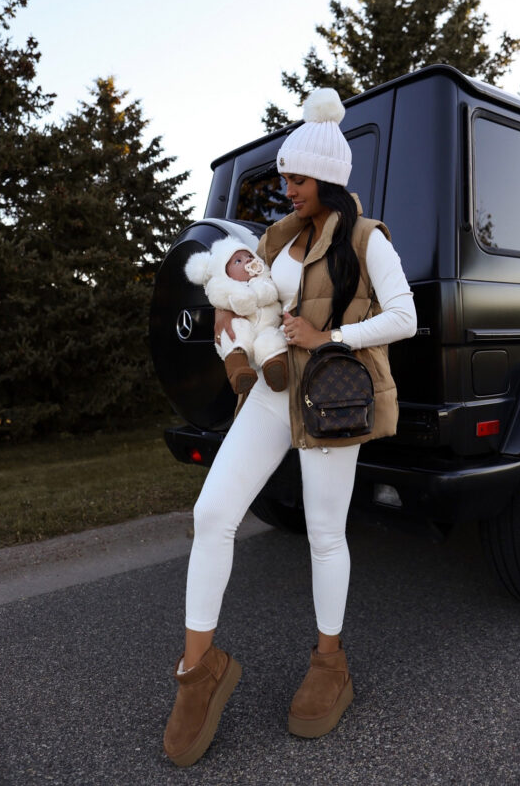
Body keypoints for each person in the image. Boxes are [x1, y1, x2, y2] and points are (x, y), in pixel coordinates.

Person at [163, 87, 417, 767]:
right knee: (211, 509)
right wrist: (231, 316)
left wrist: (332, 333)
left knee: (325, 532)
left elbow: (405, 315)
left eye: (297, 178)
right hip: (274, 393)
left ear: (328, 179)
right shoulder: (279, 236)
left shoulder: (367, 238)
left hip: (332, 397)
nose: (286, 188)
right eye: (284, 176)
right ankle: (199, 669)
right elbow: (255, 291)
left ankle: (329, 662)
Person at [184, 234, 289, 394]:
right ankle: (238, 369)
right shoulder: (225, 287)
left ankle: (275, 368)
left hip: (266, 327)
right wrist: (241, 297)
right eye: (238, 261)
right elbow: (220, 297)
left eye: (249, 256)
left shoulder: (264, 280)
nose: (247, 261)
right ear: (226, 273)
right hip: (241, 326)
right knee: (233, 332)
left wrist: (254, 294)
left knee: (270, 339)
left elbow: (270, 293)